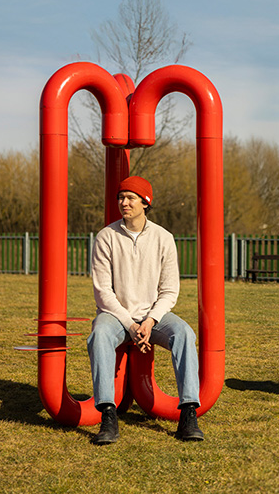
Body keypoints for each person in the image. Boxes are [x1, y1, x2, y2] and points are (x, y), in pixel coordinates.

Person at [86, 176, 203, 444]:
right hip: (116, 317)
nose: (123, 203)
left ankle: (188, 413)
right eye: (120, 197)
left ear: (145, 202)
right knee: (99, 335)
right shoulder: (106, 237)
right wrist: (131, 325)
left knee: (184, 333)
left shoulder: (164, 238)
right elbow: (103, 292)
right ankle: (107, 414)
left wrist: (149, 321)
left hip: (154, 316)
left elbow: (170, 290)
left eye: (130, 197)